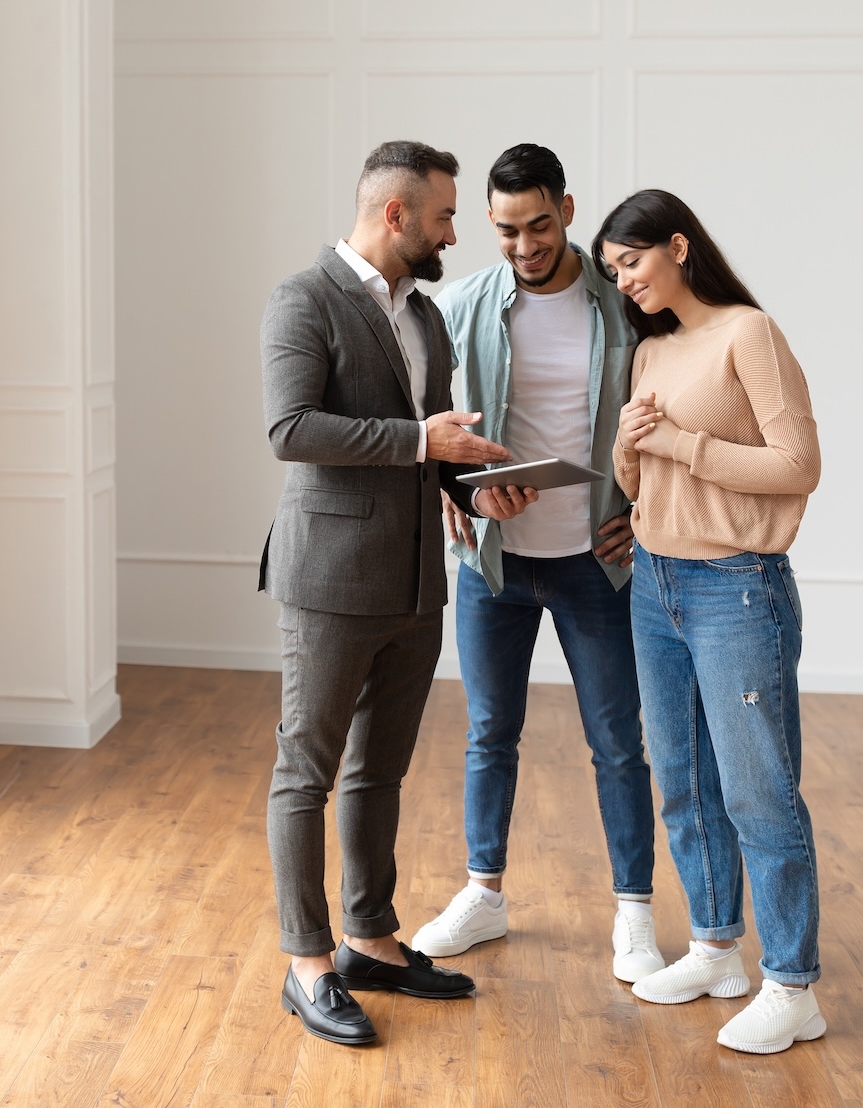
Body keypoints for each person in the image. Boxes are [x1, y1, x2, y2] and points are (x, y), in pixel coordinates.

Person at [259, 140, 508, 1046]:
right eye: (444, 214)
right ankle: (309, 962)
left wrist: (478, 485)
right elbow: (291, 428)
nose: (453, 230)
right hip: (328, 580)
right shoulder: (303, 298)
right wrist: (419, 444)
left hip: (414, 581)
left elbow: (432, 447)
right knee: (307, 770)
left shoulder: (427, 317)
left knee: (381, 769)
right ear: (395, 213)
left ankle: (368, 936)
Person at [414, 143, 664, 986]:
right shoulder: (462, 307)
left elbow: (667, 412)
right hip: (496, 563)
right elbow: (426, 426)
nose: (523, 247)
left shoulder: (620, 305)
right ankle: (484, 892)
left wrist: (643, 511)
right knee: (490, 734)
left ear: (566, 206)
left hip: (596, 562)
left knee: (618, 744)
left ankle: (634, 911)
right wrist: (459, 488)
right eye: (505, 231)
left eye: (539, 226)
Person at [596, 188, 826, 1054]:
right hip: (655, 580)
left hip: (736, 585)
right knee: (684, 781)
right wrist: (629, 443)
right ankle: (716, 945)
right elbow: (634, 481)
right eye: (614, 271)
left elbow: (798, 465)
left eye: (634, 261)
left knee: (758, 790)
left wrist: (680, 445)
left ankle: (794, 985)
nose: (626, 282)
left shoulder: (747, 333)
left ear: (679, 246)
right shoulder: (650, 350)